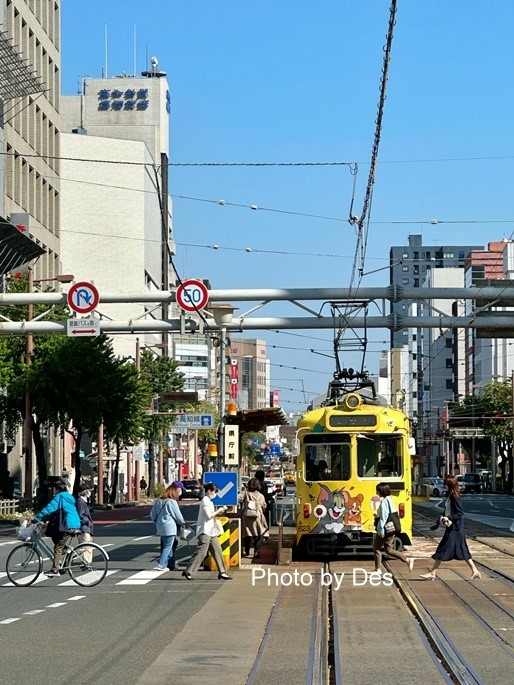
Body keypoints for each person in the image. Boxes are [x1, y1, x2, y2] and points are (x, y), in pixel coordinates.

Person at [420, 475, 481, 581]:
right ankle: (475, 571)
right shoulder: (450, 496)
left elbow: (460, 513)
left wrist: (448, 517)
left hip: (455, 529)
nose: (444, 486)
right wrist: (438, 522)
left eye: (446, 484)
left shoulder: (454, 497)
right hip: (452, 528)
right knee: (462, 550)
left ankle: (433, 573)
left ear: (450, 485)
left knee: (443, 549)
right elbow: (446, 512)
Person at [182, 482, 232, 581]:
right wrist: (220, 510)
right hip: (205, 531)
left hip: (211, 531)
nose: (215, 494)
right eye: (214, 492)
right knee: (202, 552)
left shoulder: (209, 501)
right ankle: (189, 570)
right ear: (209, 491)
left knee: (218, 550)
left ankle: (222, 572)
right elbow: (209, 515)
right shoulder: (205, 501)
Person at [34, 478, 81, 578]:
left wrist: (37, 518)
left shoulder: (59, 497)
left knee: (58, 547)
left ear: (57, 489)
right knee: (55, 538)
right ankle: (68, 552)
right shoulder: (69, 497)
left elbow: (50, 508)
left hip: (67, 525)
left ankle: (55, 570)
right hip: (74, 523)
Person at [373, 483, 415, 574]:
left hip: (385, 529)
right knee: (389, 550)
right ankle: (407, 560)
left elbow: (384, 517)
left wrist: (380, 530)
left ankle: (378, 569)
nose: (377, 492)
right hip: (391, 529)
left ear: (381, 491)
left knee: (376, 548)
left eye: (378, 490)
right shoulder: (390, 500)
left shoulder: (384, 501)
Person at [150, 481, 186, 571]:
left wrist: (158, 521)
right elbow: (178, 516)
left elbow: (152, 515)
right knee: (168, 546)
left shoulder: (158, 501)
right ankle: (161, 564)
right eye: (180, 489)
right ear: (176, 490)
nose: (181, 491)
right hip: (170, 528)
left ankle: (170, 564)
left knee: (171, 544)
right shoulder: (172, 502)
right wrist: (183, 523)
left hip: (160, 527)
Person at [239, 477, 267, 559]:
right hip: (257, 517)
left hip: (246, 516)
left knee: (247, 534)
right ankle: (256, 552)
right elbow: (264, 506)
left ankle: (247, 551)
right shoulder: (261, 496)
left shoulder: (245, 493)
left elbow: (238, 499)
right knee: (258, 535)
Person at [76, 482, 94, 563]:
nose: (90, 493)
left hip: (86, 527)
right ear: (85, 492)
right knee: (86, 547)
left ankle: (87, 563)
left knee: (86, 547)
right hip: (84, 528)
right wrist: (87, 522)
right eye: (89, 491)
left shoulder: (83, 502)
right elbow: (81, 515)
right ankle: (86, 563)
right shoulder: (80, 502)